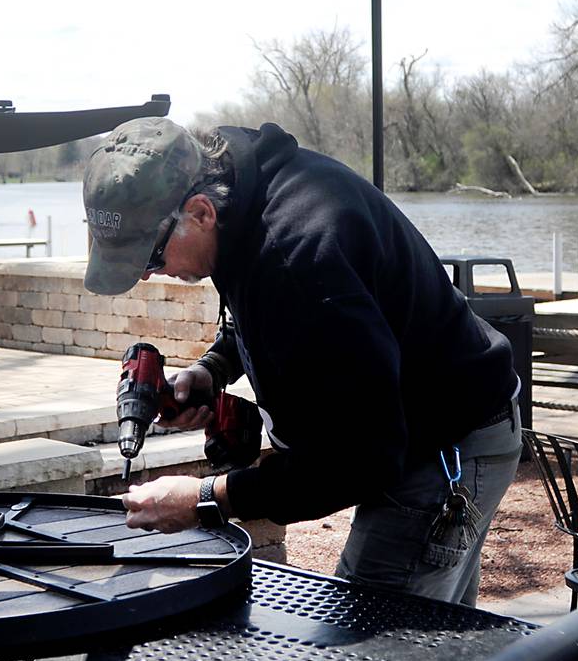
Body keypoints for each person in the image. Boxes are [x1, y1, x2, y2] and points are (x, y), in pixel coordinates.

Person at [82, 116, 521, 605]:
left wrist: (207, 499)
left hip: (443, 445)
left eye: (152, 258)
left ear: (200, 212)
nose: (150, 275)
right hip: (420, 427)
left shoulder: (301, 256)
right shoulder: (244, 200)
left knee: (375, 653)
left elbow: (359, 462)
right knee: (437, 642)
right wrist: (212, 370)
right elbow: (263, 308)